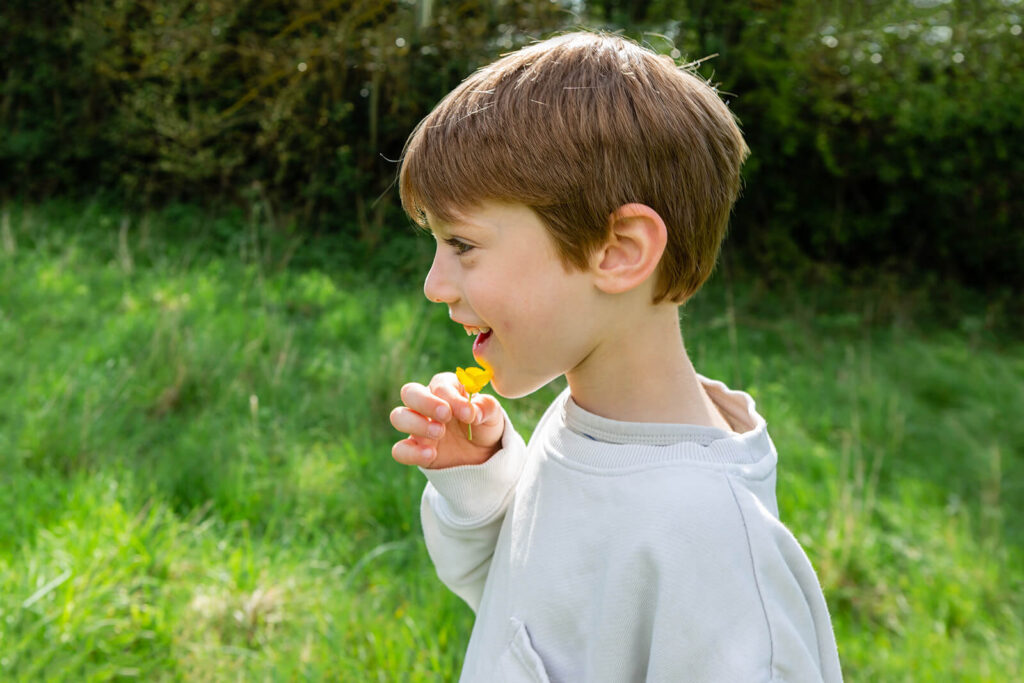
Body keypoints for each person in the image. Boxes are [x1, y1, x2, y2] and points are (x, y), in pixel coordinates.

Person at [388, 31, 842, 682]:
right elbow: (523, 613)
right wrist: (482, 479)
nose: (434, 283)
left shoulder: (714, 557)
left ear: (619, 250)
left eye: (461, 243)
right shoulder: (578, 424)